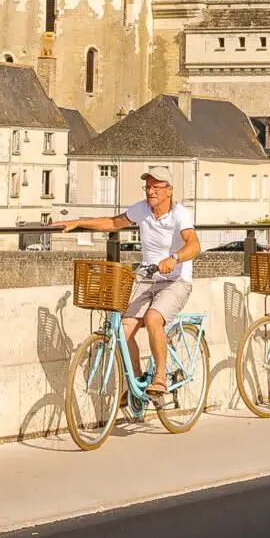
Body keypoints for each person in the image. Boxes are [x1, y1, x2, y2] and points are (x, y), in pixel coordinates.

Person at [60, 166, 200, 397]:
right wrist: (79, 222)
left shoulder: (180, 214)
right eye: (148, 187)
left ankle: (161, 377)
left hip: (176, 280)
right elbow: (114, 223)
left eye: (156, 187)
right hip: (147, 277)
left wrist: (174, 258)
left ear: (169, 191)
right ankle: (136, 384)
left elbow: (194, 245)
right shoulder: (142, 209)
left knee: (153, 318)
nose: (150, 191)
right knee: (123, 331)